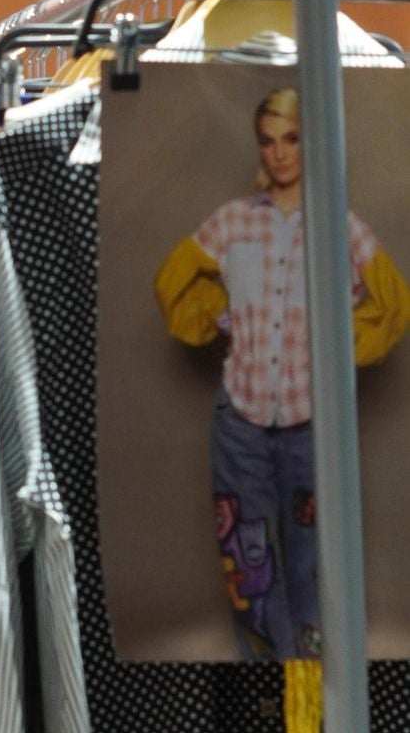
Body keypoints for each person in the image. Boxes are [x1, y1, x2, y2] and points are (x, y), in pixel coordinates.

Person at [155, 86, 410, 661]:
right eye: (268, 141)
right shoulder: (232, 222)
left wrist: (338, 346)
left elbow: (394, 305)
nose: (280, 152)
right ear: (259, 147)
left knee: (315, 556)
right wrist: (217, 315)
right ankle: (265, 675)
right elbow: (173, 283)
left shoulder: (342, 227)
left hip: (312, 424)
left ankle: (313, 683)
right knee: (247, 561)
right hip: (240, 422)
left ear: (311, 143)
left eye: (292, 139)